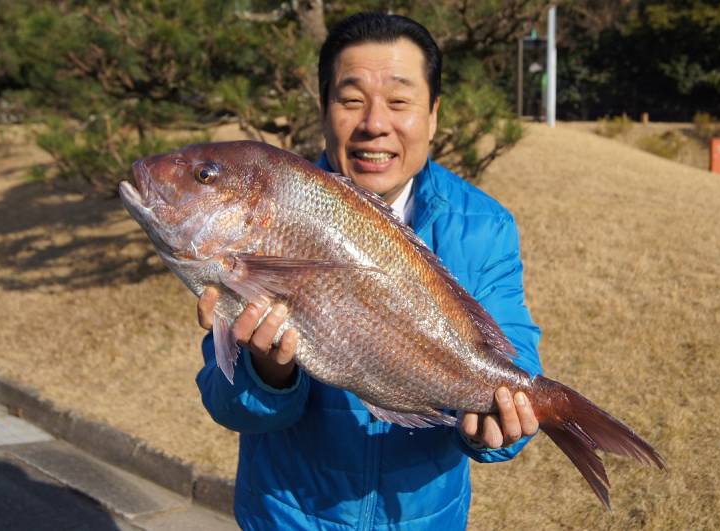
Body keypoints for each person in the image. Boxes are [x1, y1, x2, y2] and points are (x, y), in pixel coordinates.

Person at [196, 12, 542, 530]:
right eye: (351, 99)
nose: (374, 123)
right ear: (324, 108)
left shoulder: (483, 227)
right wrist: (267, 374)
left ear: (433, 114)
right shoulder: (270, 213)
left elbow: (513, 358)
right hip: (286, 516)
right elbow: (228, 403)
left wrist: (494, 427)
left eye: (400, 101)